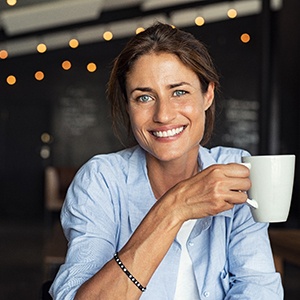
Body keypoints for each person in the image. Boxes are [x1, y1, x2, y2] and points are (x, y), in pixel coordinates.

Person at [50, 23, 283, 299]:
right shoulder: (101, 181)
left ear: (207, 94)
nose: (163, 115)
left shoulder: (236, 171)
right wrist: (174, 209)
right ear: (128, 106)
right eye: (144, 97)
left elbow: (258, 289)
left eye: (179, 92)